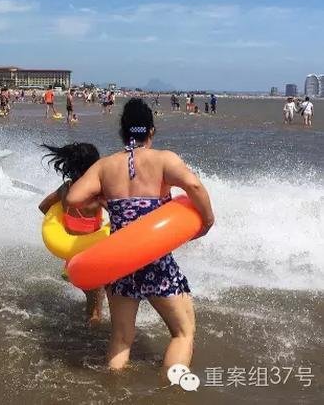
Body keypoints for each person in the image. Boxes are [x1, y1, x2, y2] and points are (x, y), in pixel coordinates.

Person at [66, 98, 214, 371]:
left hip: (120, 261)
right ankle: (172, 390)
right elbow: (193, 185)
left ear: (122, 131)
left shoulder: (105, 166)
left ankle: (113, 387)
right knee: (182, 333)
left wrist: (103, 198)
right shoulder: (164, 159)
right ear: (151, 131)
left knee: (121, 337)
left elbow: (74, 197)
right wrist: (207, 221)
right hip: (154, 260)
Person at [38, 143, 105, 327]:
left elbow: (43, 207)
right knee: (95, 310)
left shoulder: (65, 189)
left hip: (72, 260)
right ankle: (92, 338)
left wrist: (63, 220)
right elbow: (119, 214)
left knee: (93, 298)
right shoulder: (96, 193)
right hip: (92, 257)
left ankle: (86, 330)